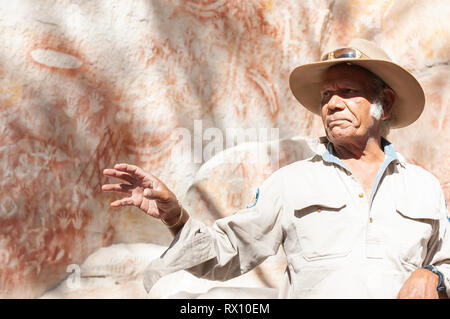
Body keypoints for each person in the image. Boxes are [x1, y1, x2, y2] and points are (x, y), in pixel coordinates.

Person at [101, 39, 449, 298]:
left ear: (383, 104)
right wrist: (175, 216)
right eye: (327, 96)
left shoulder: (423, 187)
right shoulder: (291, 183)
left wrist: (434, 275)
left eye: (348, 92)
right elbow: (227, 253)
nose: (333, 105)